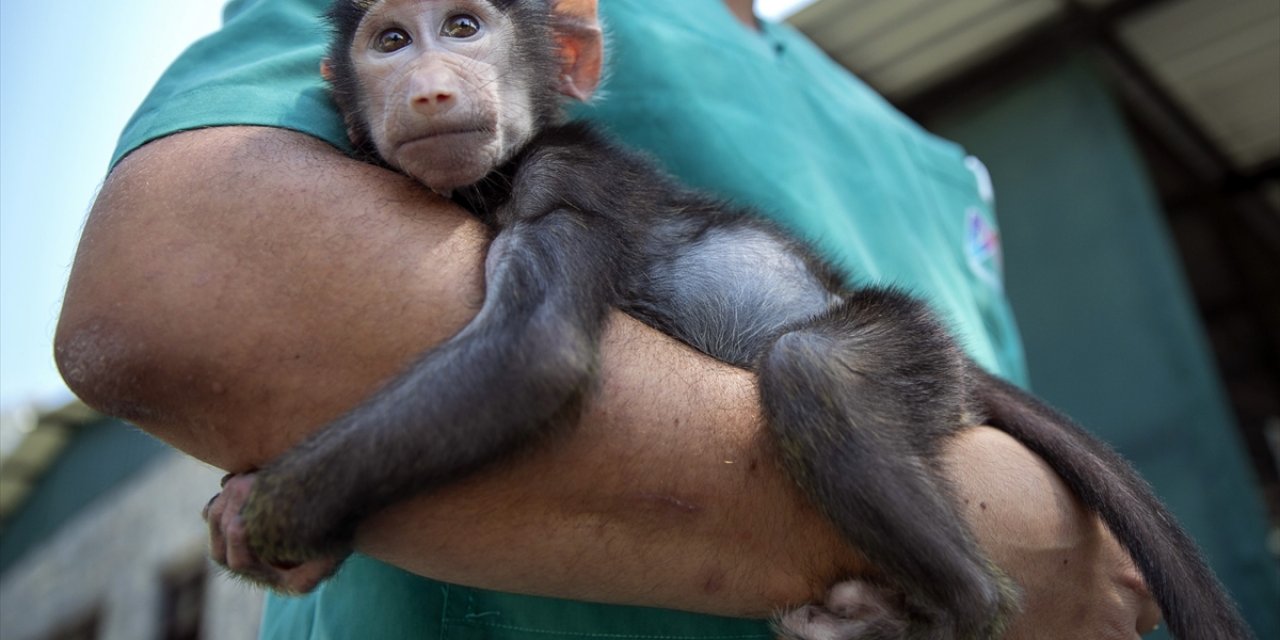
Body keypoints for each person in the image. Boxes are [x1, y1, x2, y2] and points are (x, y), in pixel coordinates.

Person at [55, 0, 1161, 637]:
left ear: (567, 60)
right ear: (336, 88)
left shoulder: (931, 166)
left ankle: (942, 600)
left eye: (463, 30)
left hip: (856, 352)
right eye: (391, 40)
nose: (433, 79)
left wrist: (301, 494)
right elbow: (169, 292)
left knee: (816, 375)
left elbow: (529, 355)